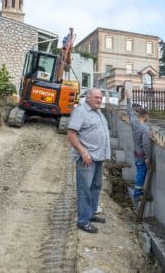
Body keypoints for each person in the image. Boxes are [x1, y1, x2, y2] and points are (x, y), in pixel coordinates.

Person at [67, 88, 110, 233]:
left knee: (96, 186)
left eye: (101, 98)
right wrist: (83, 152)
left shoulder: (97, 112)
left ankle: (91, 214)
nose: (99, 100)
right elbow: (71, 134)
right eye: (97, 97)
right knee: (84, 188)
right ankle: (83, 221)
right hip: (87, 158)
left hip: (98, 156)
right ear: (88, 97)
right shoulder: (81, 112)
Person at [125, 85, 151, 203]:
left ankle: (138, 191)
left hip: (136, 153)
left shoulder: (134, 123)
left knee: (139, 172)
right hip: (142, 155)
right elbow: (146, 144)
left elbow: (130, 112)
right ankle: (137, 194)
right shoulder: (144, 129)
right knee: (141, 172)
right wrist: (148, 157)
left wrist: (128, 99)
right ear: (145, 116)